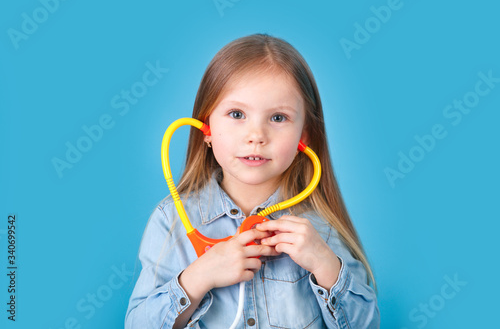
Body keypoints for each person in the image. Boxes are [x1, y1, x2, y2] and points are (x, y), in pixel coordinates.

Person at [125, 33, 380, 328]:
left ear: (304, 136)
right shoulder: (171, 221)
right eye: (237, 114)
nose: (256, 135)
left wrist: (326, 266)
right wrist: (199, 276)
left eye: (278, 118)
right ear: (206, 128)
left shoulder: (319, 230)